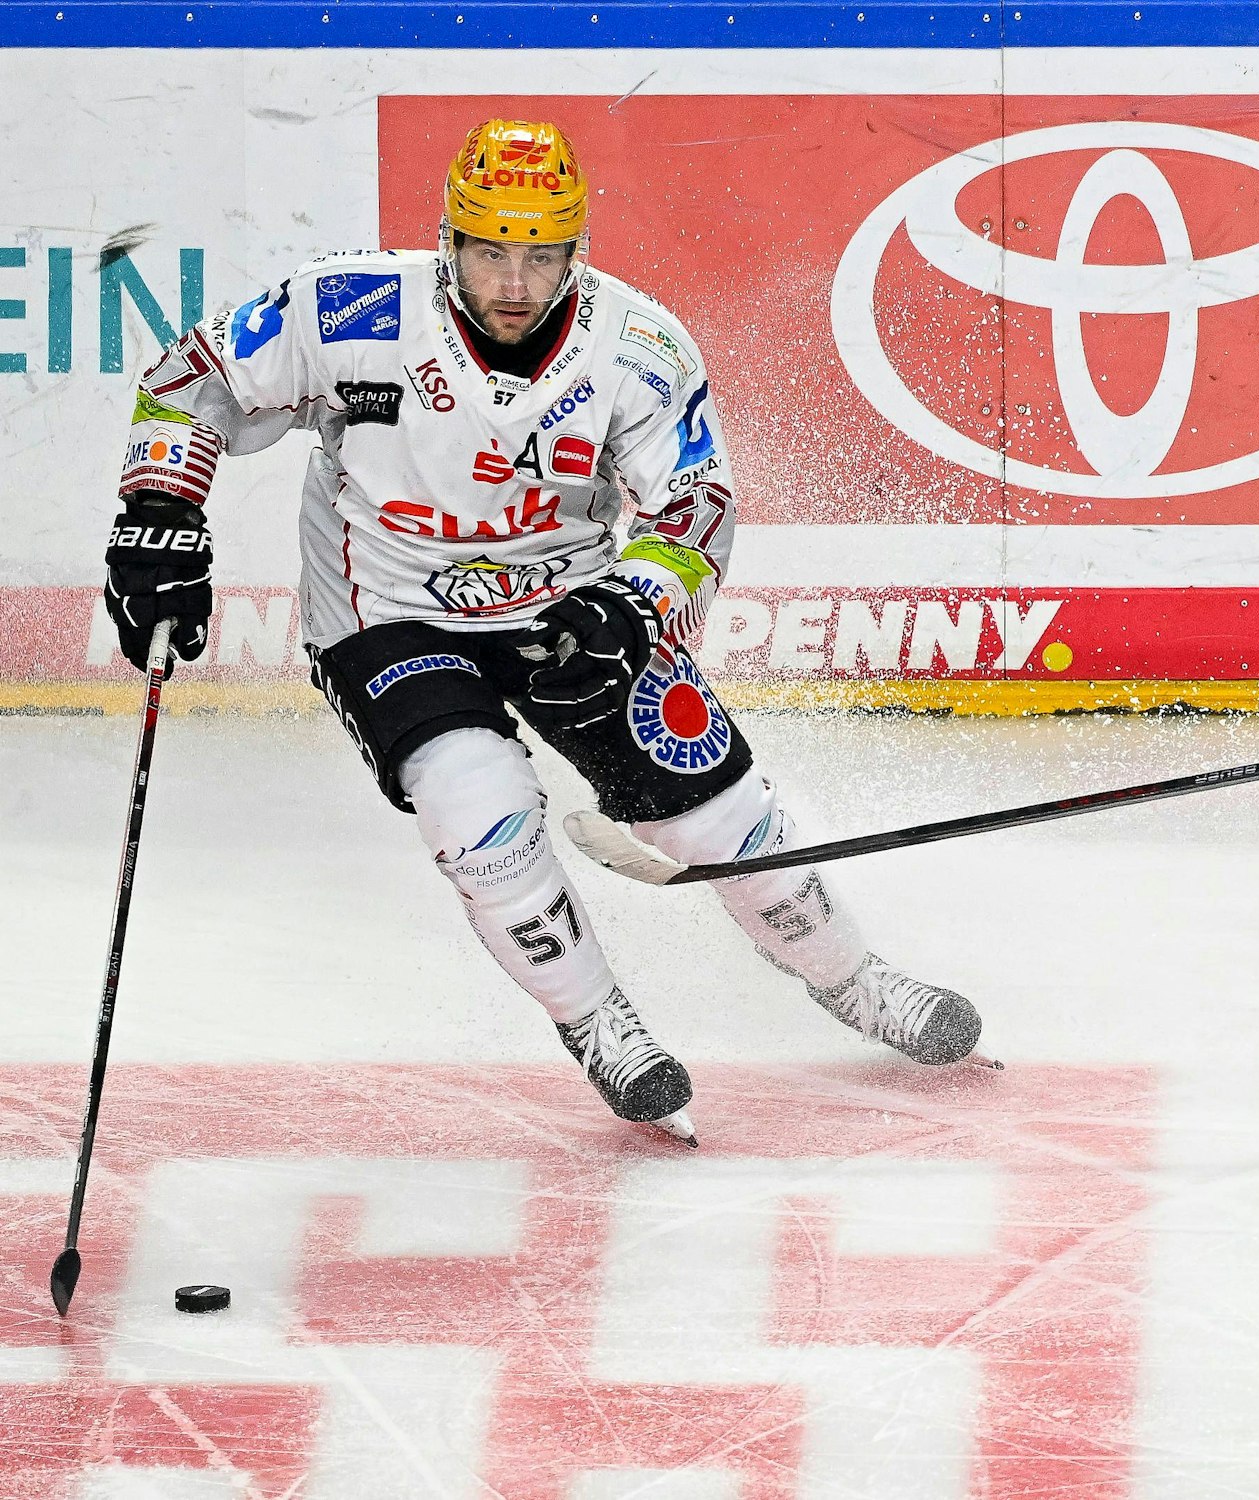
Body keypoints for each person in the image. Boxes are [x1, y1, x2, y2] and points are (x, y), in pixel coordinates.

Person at [101, 119, 987, 1142]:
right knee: (479, 810)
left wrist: (631, 607)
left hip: (571, 610)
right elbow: (192, 380)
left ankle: (855, 981)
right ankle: (597, 1019)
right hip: (388, 613)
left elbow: (693, 505)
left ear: (577, 250)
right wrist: (160, 513)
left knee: (711, 817)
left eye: (541, 253)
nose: (514, 281)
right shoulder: (350, 309)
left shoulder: (639, 349)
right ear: (448, 241)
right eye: (488, 250)